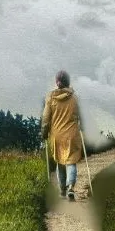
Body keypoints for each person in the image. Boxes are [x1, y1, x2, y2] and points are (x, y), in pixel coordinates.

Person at [41, 70, 83, 200]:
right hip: (71, 134)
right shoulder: (75, 97)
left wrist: (44, 133)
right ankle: (71, 187)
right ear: (68, 82)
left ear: (56, 81)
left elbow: (46, 119)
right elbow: (78, 116)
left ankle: (62, 191)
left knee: (60, 161)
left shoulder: (50, 97)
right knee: (71, 162)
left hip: (57, 135)